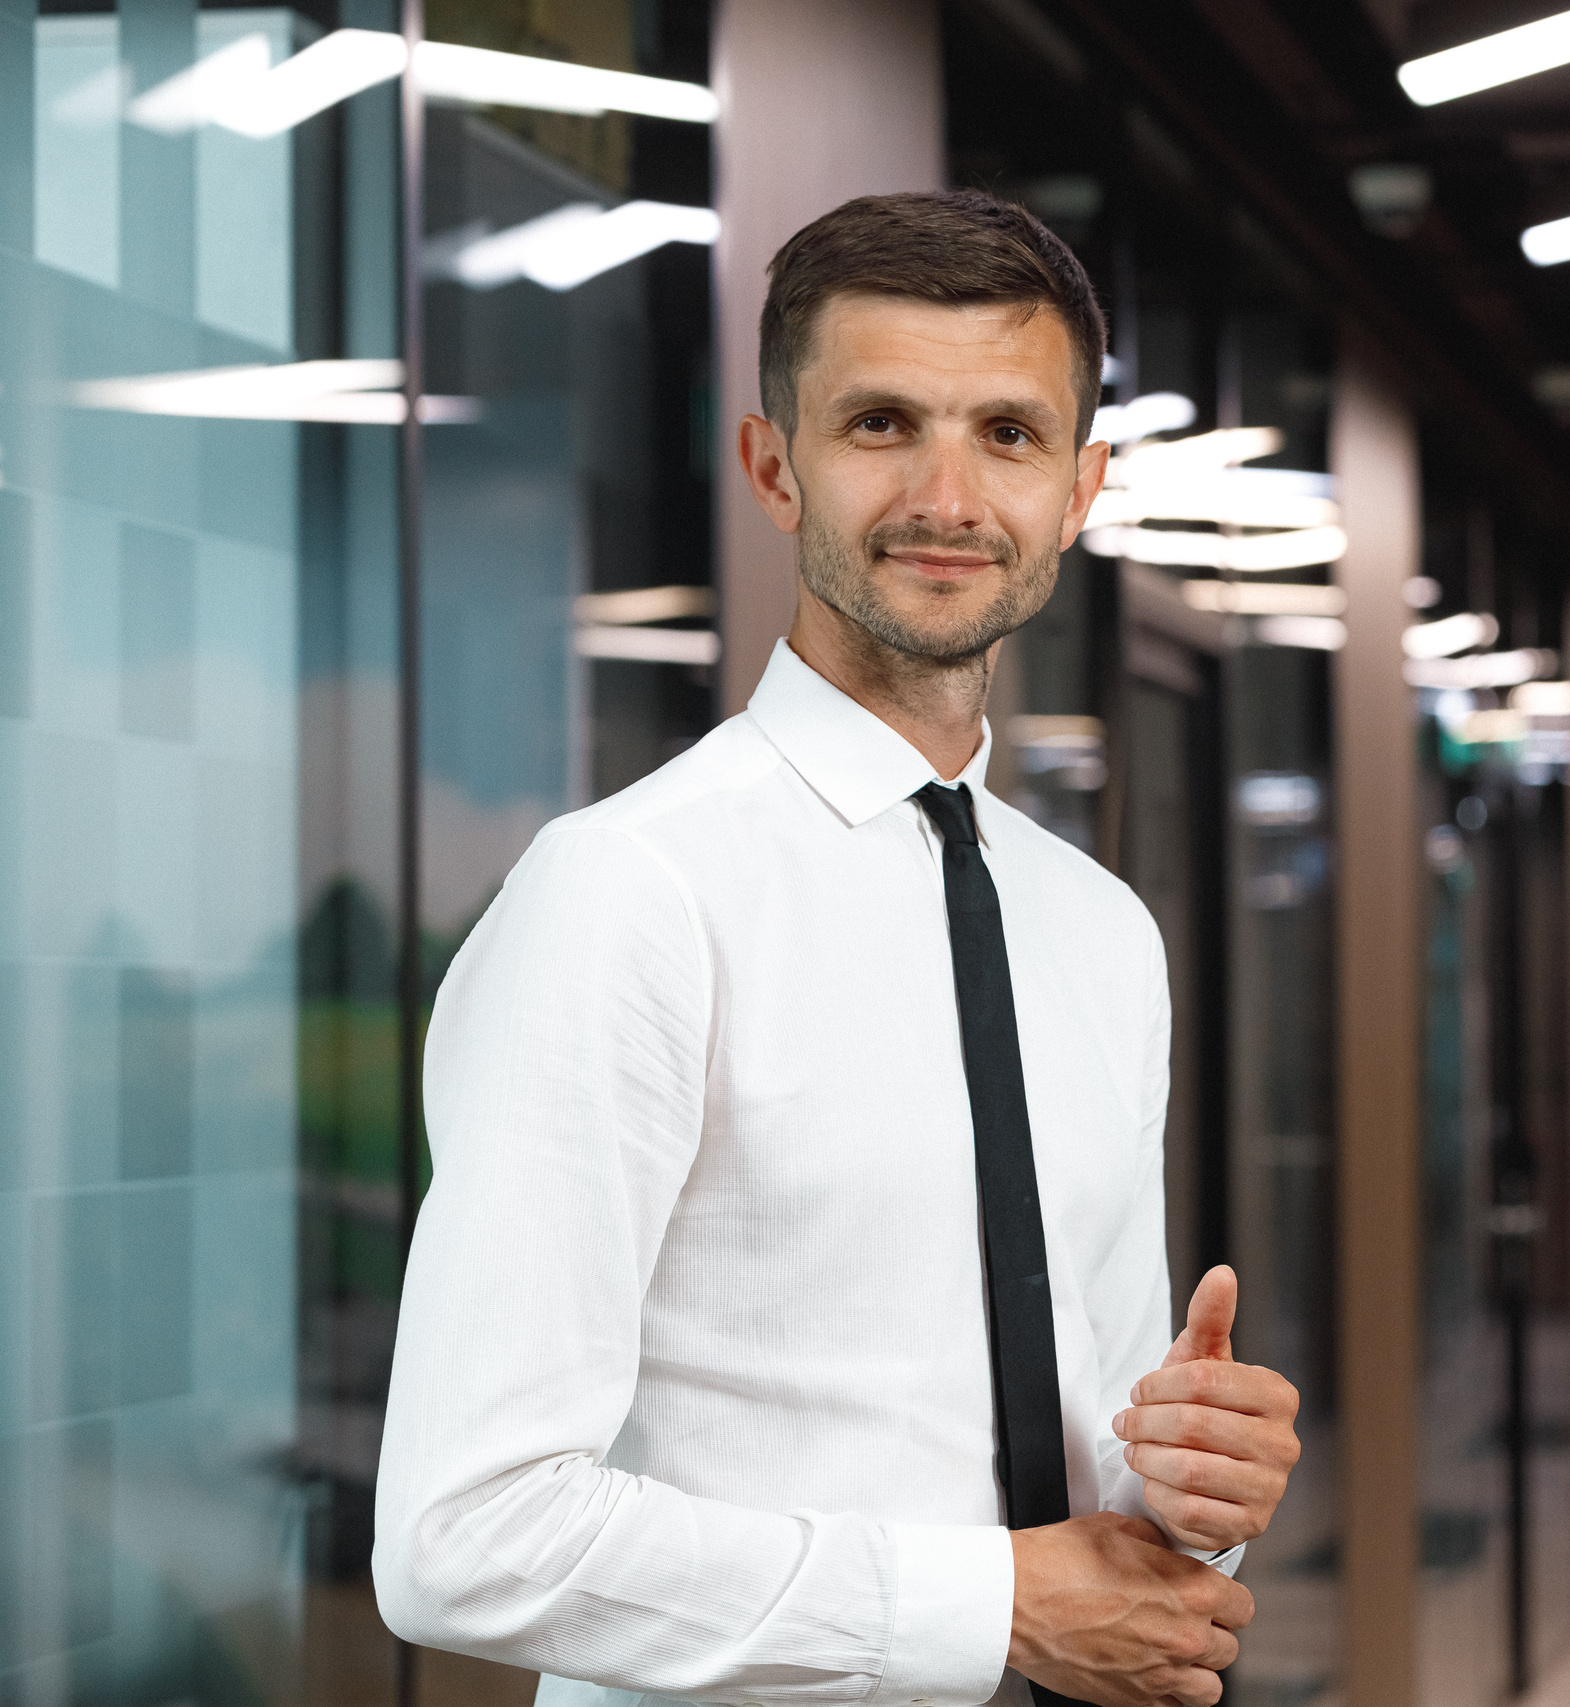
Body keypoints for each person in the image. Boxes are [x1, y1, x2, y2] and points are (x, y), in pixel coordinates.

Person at [374, 191, 1298, 1707]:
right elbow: (462, 1536)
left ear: (1081, 489)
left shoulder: (1101, 932)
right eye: (880, 423)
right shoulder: (626, 895)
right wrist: (992, 1604)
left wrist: (1194, 1498)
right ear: (772, 467)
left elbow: (1102, 1493)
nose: (948, 493)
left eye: (1009, 433)